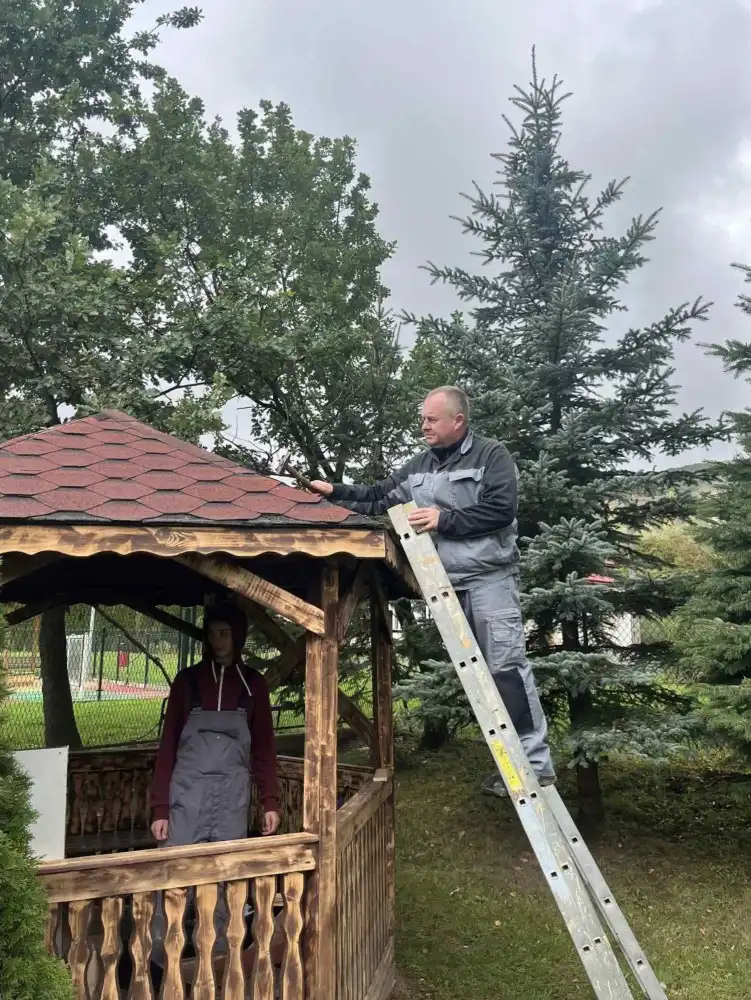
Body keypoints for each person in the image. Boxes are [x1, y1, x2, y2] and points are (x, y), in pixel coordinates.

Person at [311, 386, 555, 796]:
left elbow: (501, 510)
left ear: (458, 421)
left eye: (431, 419)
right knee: (478, 681)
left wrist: (445, 520)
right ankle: (509, 768)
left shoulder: (491, 455)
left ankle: (535, 765)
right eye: (422, 418)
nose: (423, 425)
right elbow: (377, 497)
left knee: (506, 669)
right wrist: (333, 492)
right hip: (443, 587)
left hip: (489, 581)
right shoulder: (419, 466)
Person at [150, 602, 281, 845]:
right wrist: (160, 809)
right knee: (180, 864)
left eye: (224, 633)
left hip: (232, 801)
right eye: (211, 634)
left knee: (225, 864)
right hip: (187, 797)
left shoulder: (253, 684)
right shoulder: (187, 682)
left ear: (237, 635)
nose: (217, 641)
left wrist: (270, 802)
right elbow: (167, 746)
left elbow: (264, 748)